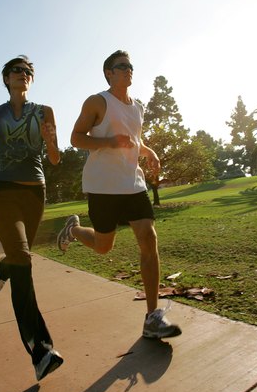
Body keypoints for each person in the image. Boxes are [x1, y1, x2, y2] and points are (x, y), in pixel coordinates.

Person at [57, 50, 182, 339]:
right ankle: (74, 229)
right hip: (103, 186)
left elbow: (134, 139)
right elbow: (76, 138)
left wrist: (147, 151)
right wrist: (110, 141)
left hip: (132, 183)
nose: (128, 70)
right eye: (121, 66)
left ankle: (152, 318)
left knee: (148, 239)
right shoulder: (97, 101)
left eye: (130, 66)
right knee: (103, 247)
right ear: (108, 73)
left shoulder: (137, 107)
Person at [0, 54, 63, 381]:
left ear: (31, 80)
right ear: (6, 78)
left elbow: (53, 159)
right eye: (16, 70)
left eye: (27, 71)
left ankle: (2, 269)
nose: (22, 74)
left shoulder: (45, 111)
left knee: (17, 257)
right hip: (2, 191)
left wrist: (51, 137)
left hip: (34, 192)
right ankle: (41, 351)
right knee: (23, 258)